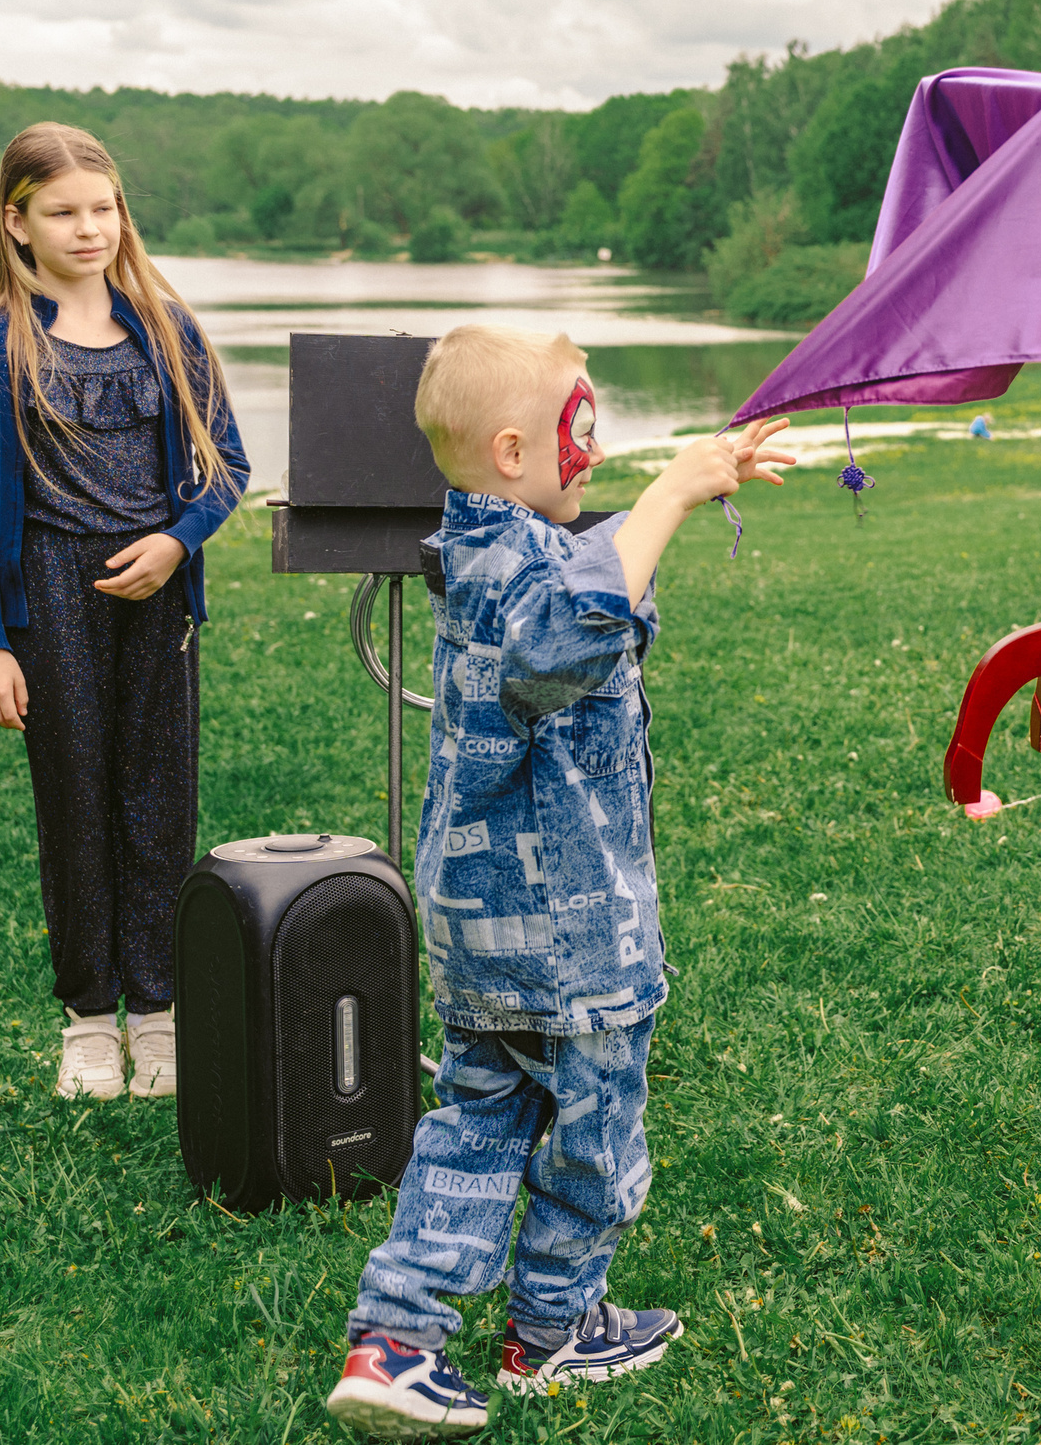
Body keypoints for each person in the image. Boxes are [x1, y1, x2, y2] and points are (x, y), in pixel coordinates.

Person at [325, 326, 793, 1437]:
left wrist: (690, 482)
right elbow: (566, 637)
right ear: (510, 451)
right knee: (595, 1140)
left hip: (486, 928)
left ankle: (395, 1341)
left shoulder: (493, 546)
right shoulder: (520, 576)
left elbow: (585, 587)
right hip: (569, 937)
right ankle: (551, 1330)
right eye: (578, 429)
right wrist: (669, 495)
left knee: (478, 1122)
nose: (597, 451)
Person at [0, 123, 248, 1101]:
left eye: (103, 208)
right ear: (16, 223)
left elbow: (228, 465)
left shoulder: (167, 328)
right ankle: (87, 1021)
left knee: (158, 800)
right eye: (62, 212)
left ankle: (156, 1012)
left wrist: (177, 542)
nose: (89, 229)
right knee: (75, 803)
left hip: (154, 598)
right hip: (50, 598)